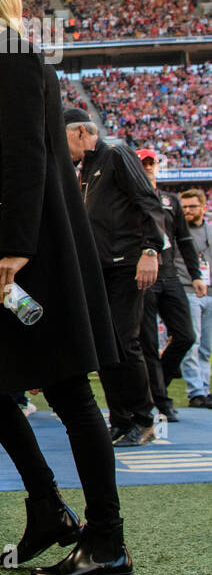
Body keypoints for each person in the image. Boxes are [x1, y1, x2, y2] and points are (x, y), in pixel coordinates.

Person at [0, 0, 131, 575]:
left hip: (28, 266)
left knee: (69, 393)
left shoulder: (13, 58)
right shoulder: (6, 63)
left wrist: (14, 249)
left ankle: (106, 543)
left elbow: (26, 159)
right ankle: (48, 508)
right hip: (9, 260)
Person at [64, 109, 165, 447]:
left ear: (80, 132)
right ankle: (120, 419)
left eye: (64, 139)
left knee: (124, 341)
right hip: (99, 270)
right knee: (104, 346)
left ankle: (143, 418)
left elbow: (148, 201)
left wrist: (150, 251)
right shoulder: (85, 170)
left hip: (126, 265)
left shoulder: (117, 155)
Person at [135, 148, 199, 423]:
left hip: (170, 273)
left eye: (152, 163)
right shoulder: (129, 198)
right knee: (147, 341)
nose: (149, 167)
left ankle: (159, 380)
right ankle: (161, 402)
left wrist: (196, 275)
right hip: (142, 275)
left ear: (157, 166)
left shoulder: (170, 200)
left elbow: (184, 239)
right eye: (144, 163)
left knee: (186, 335)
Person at [178, 188, 212, 407]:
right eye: (184, 207)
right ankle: (195, 391)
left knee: (206, 346)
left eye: (192, 206)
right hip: (187, 289)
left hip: (210, 291)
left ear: (203, 207)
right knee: (192, 342)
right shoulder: (176, 232)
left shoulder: (210, 230)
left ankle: (204, 389)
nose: (188, 211)